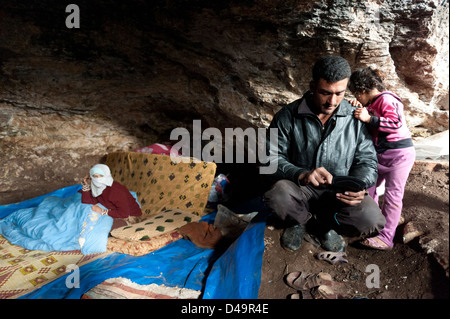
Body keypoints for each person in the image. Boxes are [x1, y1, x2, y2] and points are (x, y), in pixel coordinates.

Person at [262, 55, 386, 252]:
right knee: (277, 197)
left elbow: (368, 161)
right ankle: (302, 222)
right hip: (301, 187)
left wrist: (359, 185)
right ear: (312, 87)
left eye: (339, 93)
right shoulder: (287, 116)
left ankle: (324, 227)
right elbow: (269, 158)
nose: (332, 101)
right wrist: (301, 174)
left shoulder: (355, 117)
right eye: (325, 93)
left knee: (371, 219)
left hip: (339, 192)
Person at [349, 67, 415, 250]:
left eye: (356, 94)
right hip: (381, 155)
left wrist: (369, 119)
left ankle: (386, 238)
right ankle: (374, 222)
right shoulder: (371, 102)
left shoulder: (386, 98)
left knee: (393, 196)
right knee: (370, 188)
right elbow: (367, 113)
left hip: (399, 155)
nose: (358, 98)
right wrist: (359, 106)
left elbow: (396, 123)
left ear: (361, 90)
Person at [80, 164, 142, 228]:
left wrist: (102, 211)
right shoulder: (97, 189)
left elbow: (124, 214)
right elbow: (86, 201)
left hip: (131, 217)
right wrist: (85, 184)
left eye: (101, 176)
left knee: (103, 227)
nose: (98, 179)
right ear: (91, 177)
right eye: (95, 176)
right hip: (115, 214)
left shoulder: (115, 190)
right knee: (90, 222)